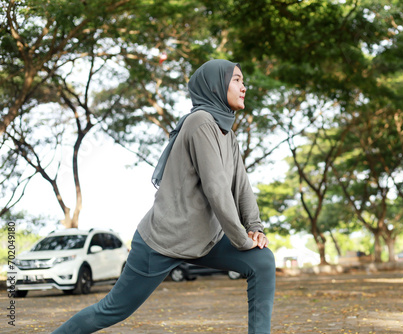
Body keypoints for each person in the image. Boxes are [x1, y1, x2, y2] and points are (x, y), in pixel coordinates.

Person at [52, 59, 276, 334]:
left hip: (204, 240)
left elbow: (241, 185)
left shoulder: (227, 134)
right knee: (112, 310)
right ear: (216, 85)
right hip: (162, 241)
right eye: (237, 80)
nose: (244, 87)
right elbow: (217, 189)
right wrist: (242, 240)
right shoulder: (200, 122)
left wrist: (255, 228)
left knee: (262, 261)